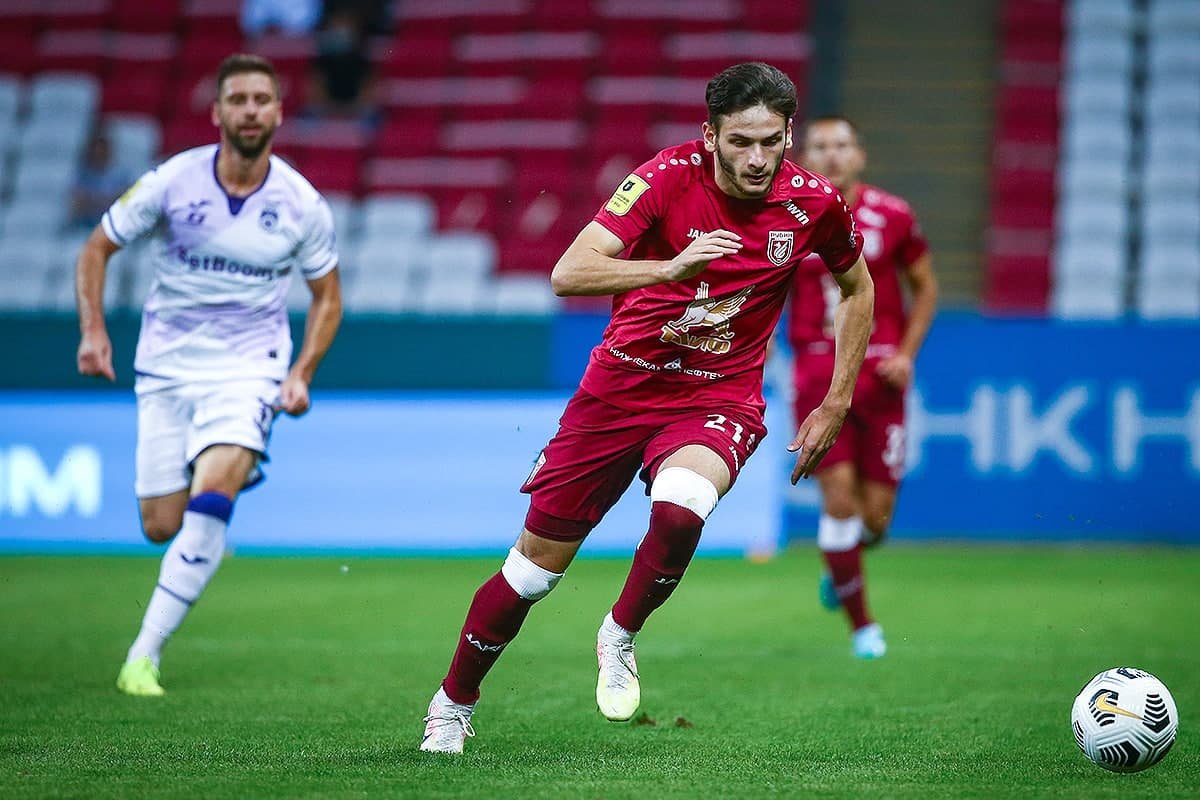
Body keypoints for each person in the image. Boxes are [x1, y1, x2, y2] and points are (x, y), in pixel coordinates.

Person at [418, 62, 875, 754]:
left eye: (770, 142)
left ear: (789, 136)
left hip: (717, 393)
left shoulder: (813, 203)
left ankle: (619, 633)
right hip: (619, 391)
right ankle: (453, 703)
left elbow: (857, 287)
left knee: (684, 501)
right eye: (740, 142)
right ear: (710, 136)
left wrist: (837, 400)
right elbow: (568, 272)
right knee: (532, 575)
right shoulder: (664, 178)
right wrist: (669, 267)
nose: (757, 159)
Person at [74, 54, 343, 696]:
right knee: (161, 525)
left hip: (249, 370)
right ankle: (223, 484)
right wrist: (92, 330)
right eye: (238, 99)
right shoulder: (172, 181)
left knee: (212, 499)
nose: (250, 110)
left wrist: (301, 372)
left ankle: (142, 657)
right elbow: (97, 247)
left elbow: (328, 298)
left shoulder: (301, 204)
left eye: (261, 99)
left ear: (278, 113)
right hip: (165, 369)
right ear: (217, 111)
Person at [786, 115, 938, 659]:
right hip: (816, 377)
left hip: (879, 378)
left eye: (841, 145)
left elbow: (925, 288)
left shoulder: (893, 215)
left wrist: (905, 354)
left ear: (859, 155)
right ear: (804, 157)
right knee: (839, 500)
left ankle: (841, 564)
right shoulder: (784, 216)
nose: (831, 154)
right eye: (820, 146)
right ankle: (863, 629)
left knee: (875, 519)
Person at [70, 130, 132, 230]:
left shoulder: (121, 174)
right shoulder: (82, 174)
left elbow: (124, 201)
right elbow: (77, 203)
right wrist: (106, 201)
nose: (99, 154)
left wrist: (92, 201)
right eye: (96, 151)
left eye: (102, 151)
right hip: (86, 223)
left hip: (114, 224)